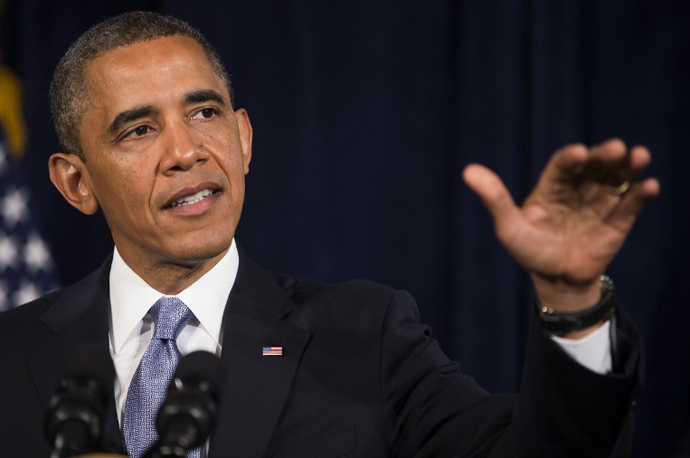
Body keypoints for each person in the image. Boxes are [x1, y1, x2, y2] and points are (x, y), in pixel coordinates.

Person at [0, 11, 659, 458]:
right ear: (75, 183)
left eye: (205, 112)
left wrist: (572, 300)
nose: (186, 151)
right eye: (139, 130)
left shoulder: (365, 335)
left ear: (245, 138)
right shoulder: (11, 357)